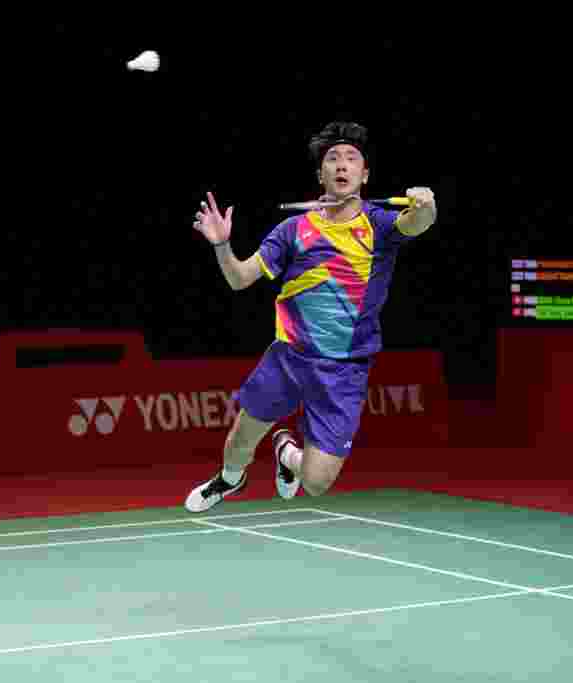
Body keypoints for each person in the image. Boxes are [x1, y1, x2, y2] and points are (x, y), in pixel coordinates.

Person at [184, 121, 437, 513]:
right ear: (320, 174)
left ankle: (286, 453)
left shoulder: (380, 225)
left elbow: (417, 222)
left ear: (364, 174)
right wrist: (221, 245)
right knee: (239, 441)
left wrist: (427, 204)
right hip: (289, 356)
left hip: (343, 369)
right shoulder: (293, 230)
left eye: (351, 159)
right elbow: (239, 279)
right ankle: (230, 479)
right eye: (332, 159)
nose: (341, 164)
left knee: (317, 483)